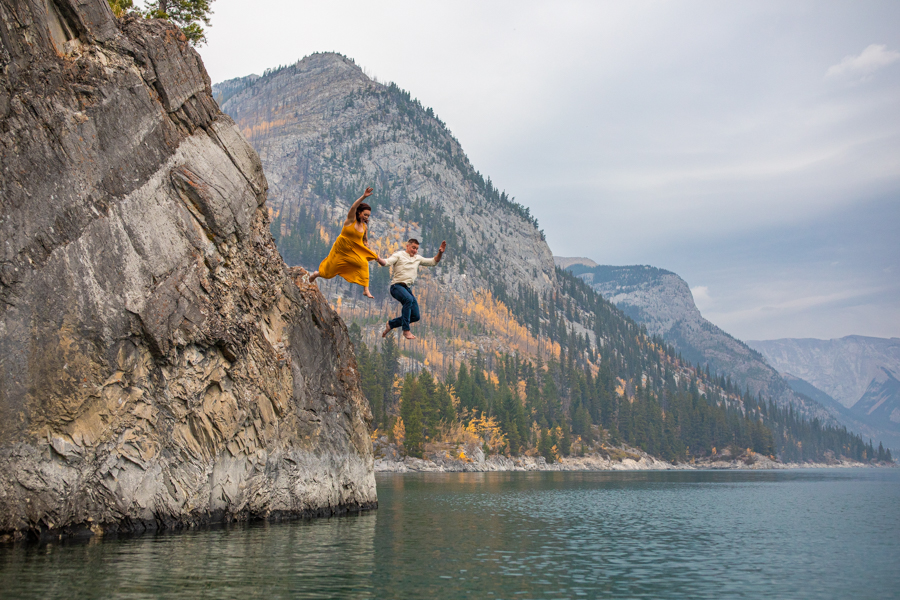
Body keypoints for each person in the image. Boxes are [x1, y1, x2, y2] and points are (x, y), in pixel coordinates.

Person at [309, 187, 387, 298]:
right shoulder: (350, 220)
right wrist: (364, 196)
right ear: (359, 213)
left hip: (352, 250)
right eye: (365, 214)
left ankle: (366, 289)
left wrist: (366, 249)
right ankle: (317, 274)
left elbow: (365, 241)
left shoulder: (364, 227)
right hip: (340, 249)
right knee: (329, 273)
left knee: (363, 263)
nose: (366, 217)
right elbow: (353, 207)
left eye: (368, 216)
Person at [381, 238, 447, 340]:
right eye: (413, 248)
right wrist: (377, 258)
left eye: (416, 249)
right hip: (396, 287)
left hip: (406, 289)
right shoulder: (399, 255)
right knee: (409, 299)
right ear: (407, 246)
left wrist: (440, 253)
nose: (415, 251)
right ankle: (406, 330)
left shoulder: (418, 258)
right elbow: (386, 262)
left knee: (415, 316)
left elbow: (434, 261)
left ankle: (391, 324)